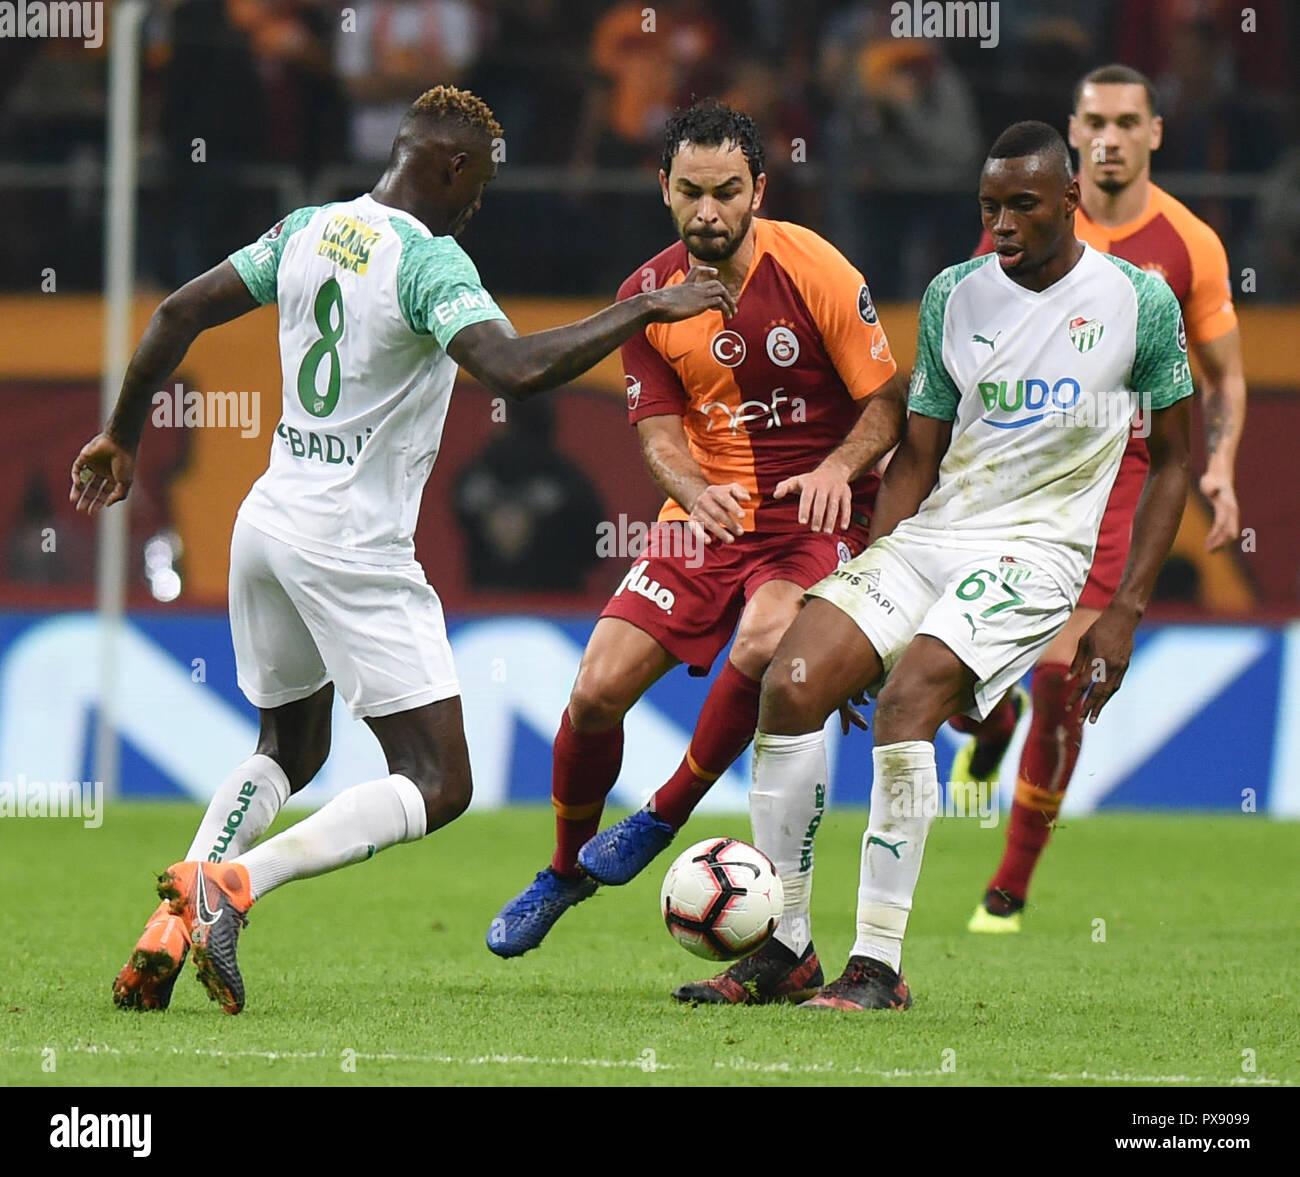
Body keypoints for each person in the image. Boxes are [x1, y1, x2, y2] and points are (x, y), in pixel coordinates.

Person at [75, 85, 734, 1015]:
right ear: (454, 165)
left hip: (268, 519)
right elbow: (516, 368)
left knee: (288, 746)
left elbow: (178, 310)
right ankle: (234, 886)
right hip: (351, 546)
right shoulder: (430, 263)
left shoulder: (308, 227)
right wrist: (648, 308)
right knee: (439, 779)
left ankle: (178, 912)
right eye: (483, 182)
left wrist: (122, 433)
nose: (480, 202)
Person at [745, 119, 1193, 1011]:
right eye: (990, 206)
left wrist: (1124, 610)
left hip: (1039, 553)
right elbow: (916, 454)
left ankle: (876, 967)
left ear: (1070, 200)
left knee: (908, 702)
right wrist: (867, 585)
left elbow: (1176, 458)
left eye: (1023, 205)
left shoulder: (1138, 301)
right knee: (792, 680)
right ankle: (783, 947)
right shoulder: (955, 293)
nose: (1003, 224)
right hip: (935, 534)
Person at [486, 100, 906, 979]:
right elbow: (659, 437)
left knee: (765, 634)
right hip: (707, 517)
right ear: (664, 189)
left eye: (725, 192)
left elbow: (887, 404)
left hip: (813, 519)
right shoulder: (646, 295)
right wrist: (690, 491)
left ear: (759, 187)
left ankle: (663, 813)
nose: (708, 211)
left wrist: (837, 467)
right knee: (596, 686)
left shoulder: (817, 268)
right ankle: (563, 871)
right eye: (690, 192)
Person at [954, 64, 1246, 933]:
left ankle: (1008, 884)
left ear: (1156, 132)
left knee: (1063, 678)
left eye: (1128, 122)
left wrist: (1222, 463)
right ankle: (988, 719)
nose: (1111, 136)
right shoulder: (1017, 228)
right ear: (1073, 136)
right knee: (967, 678)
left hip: (1117, 483)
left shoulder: (1189, 244)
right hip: (1016, 475)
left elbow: (1226, 376)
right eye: (1095, 122)